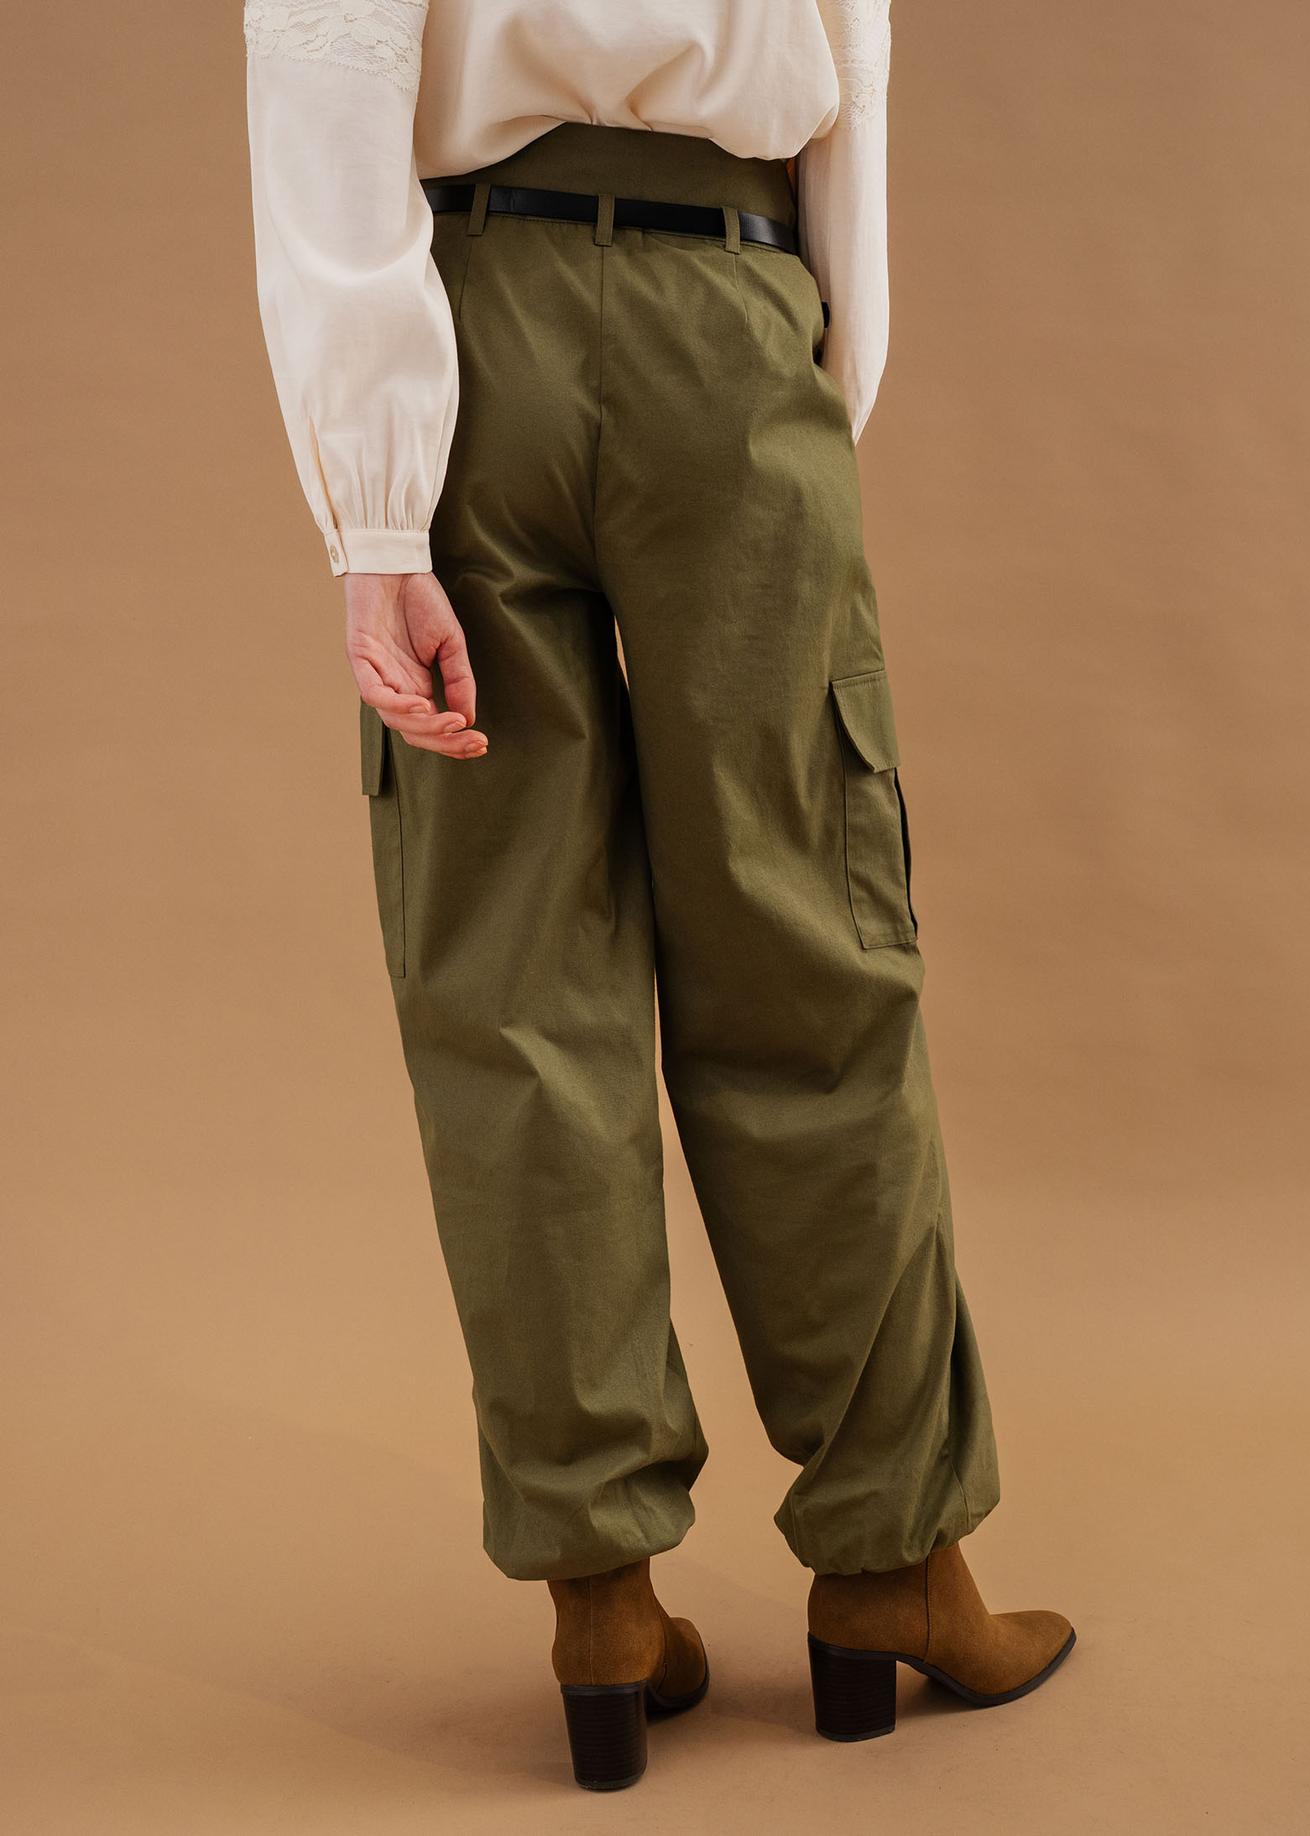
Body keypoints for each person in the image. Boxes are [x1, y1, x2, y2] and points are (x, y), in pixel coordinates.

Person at [243, 0, 1074, 1790]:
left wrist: (376, 517)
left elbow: (327, 53)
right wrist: (817, 352)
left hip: (472, 323)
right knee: (809, 964)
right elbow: (846, 58)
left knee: (511, 1000)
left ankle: (601, 1603)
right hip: (729, 302)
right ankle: (891, 1566)